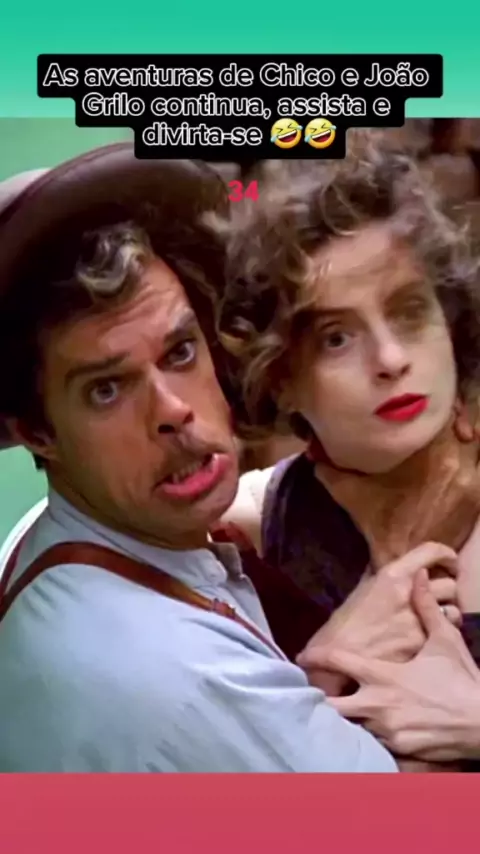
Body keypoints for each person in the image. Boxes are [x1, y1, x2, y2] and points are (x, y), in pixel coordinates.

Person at [0, 142, 404, 773]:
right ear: (36, 430)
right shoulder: (179, 677)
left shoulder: (48, 534)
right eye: (106, 389)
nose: (172, 410)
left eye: (180, 352)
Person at [210, 132, 480, 764]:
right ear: (281, 379)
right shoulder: (255, 523)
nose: (390, 359)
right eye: (336, 338)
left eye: (409, 312)